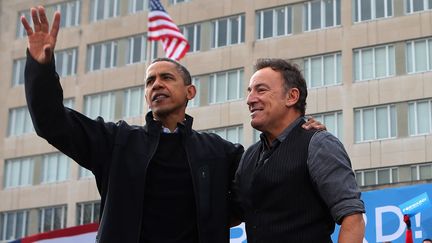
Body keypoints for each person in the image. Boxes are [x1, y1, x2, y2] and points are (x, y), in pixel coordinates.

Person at [21, 6, 325, 243]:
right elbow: (51, 122)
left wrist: (298, 130)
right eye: (150, 81)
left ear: (190, 92)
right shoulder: (116, 142)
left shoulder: (219, 152)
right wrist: (40, 67)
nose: (157, 85)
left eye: (166, 78)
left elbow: (264, 181)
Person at [232, 58, 365, 243]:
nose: (250, 99)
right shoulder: (249, 156)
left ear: (292, 96)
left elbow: (353, 218)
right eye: (250, 91)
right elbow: (234, 214)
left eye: (261, 90)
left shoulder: (318, 143)